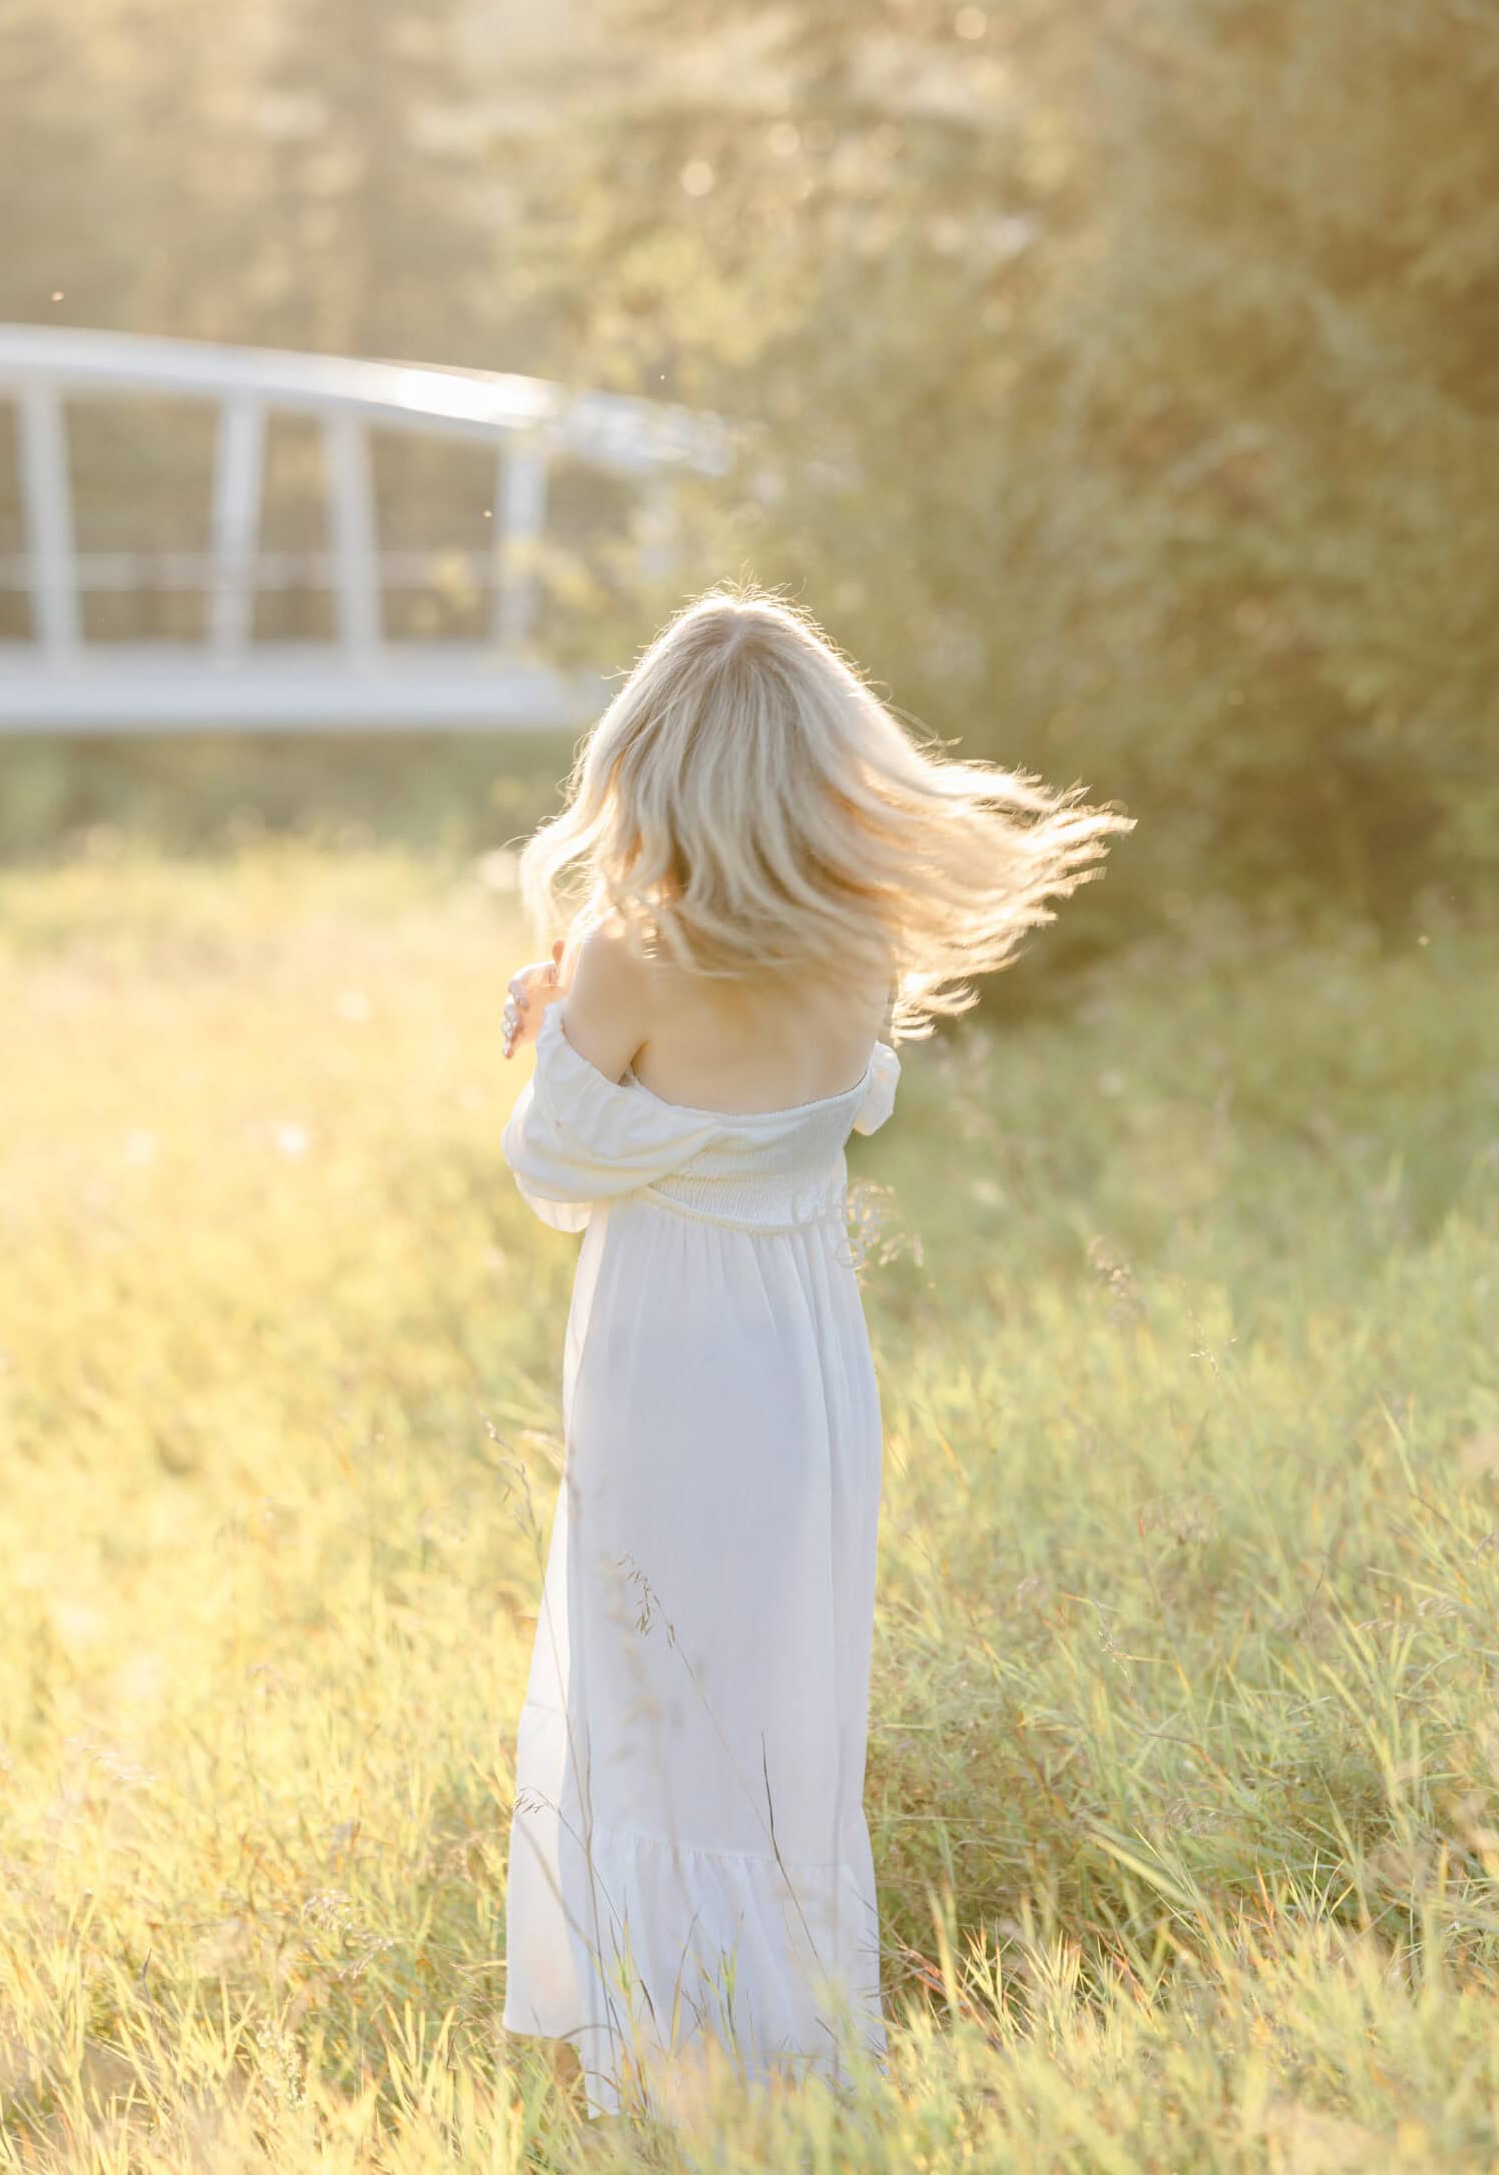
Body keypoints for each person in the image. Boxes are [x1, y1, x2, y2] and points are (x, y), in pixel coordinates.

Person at [494, 583, 1132, 2126]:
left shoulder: (630, 960)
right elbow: (808, 1115)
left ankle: (670, 2062)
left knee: (656, 1697)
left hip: (668, 1361)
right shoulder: (858, 947)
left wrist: (554, 1015)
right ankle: (796, 2037)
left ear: (650, 765)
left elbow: (562, 1174)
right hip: (801, 1364)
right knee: (778, 1694)